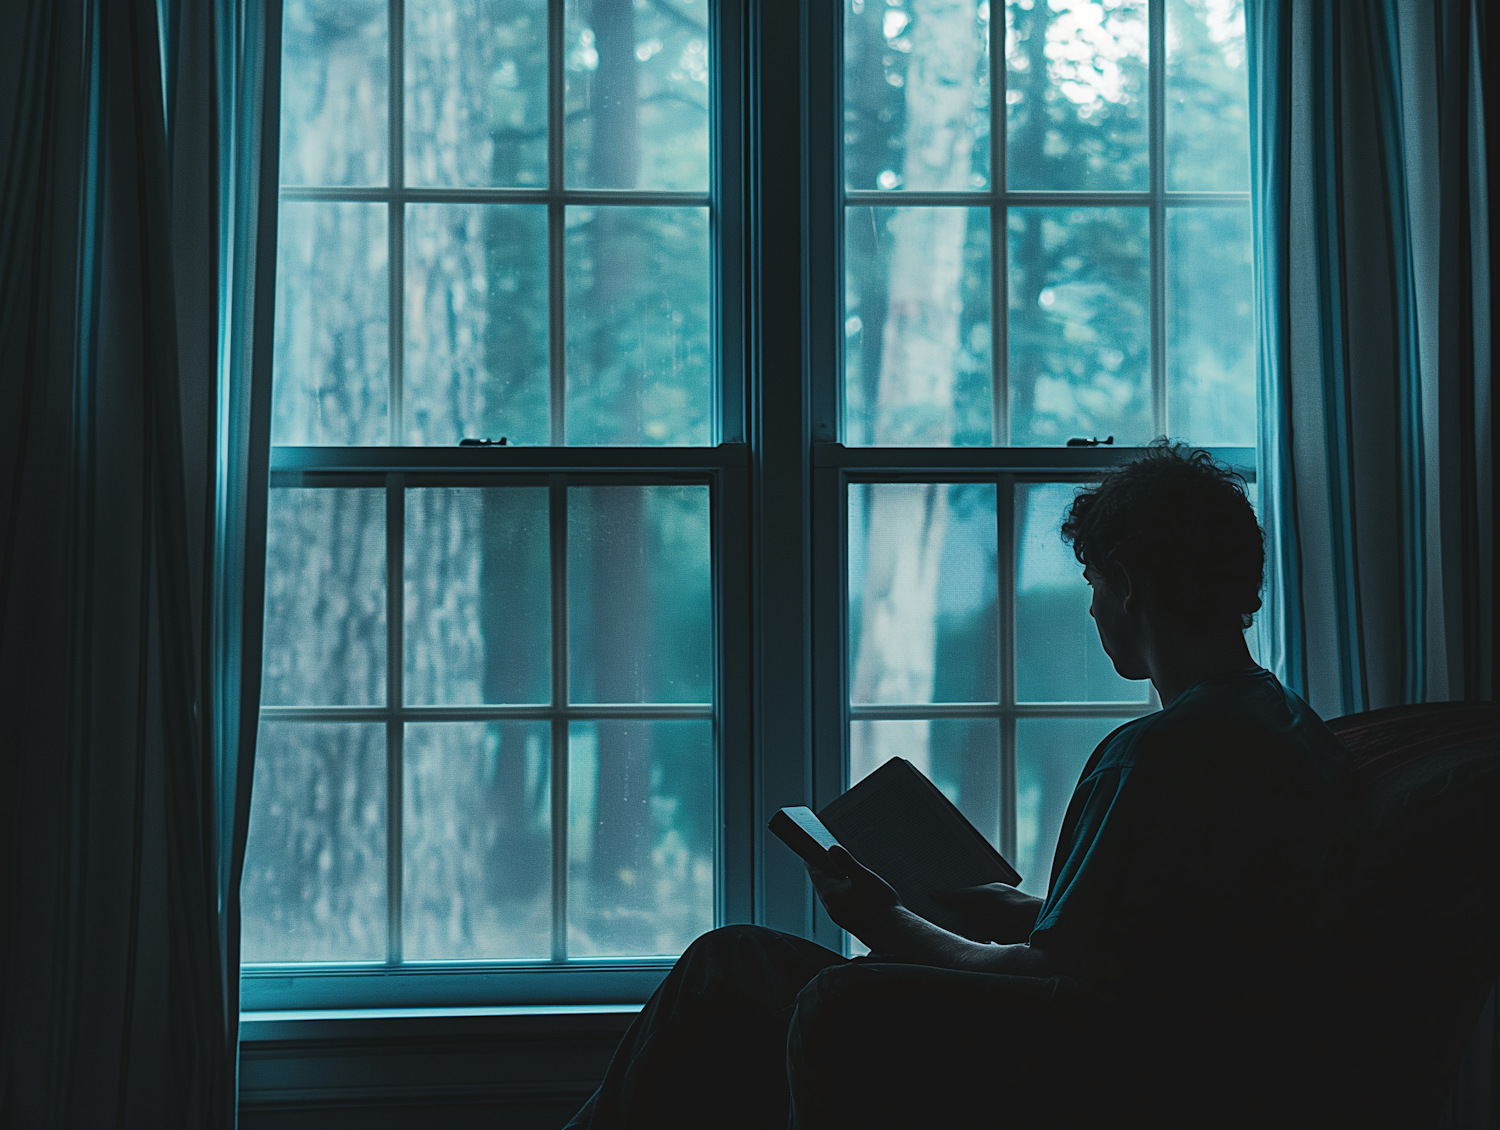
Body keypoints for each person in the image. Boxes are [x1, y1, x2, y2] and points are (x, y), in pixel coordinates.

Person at [562, 444, 1347, 1129]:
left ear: (1131, 584)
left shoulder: (1153, 755)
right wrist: (998, 907)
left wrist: (884, 919)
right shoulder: (1283, 721)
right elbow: (1148, 944)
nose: (1093, 606)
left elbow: (1054, 987)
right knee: (732, 962)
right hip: (1172, 1048)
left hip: (1089, 1070)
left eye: (1094, 581)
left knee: (787, 990)